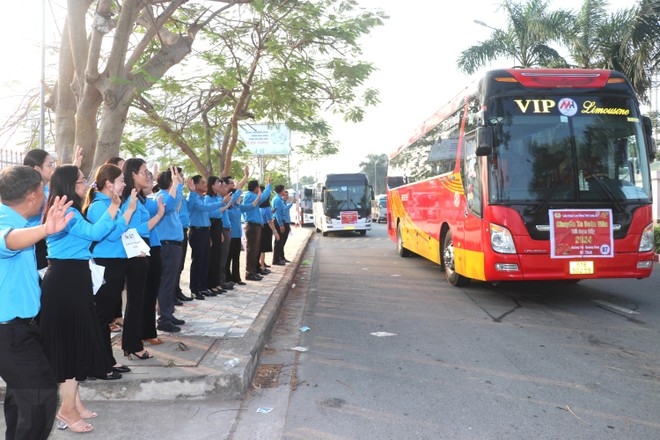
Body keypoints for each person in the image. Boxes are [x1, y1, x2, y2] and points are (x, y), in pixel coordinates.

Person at [40, 165, 124, 433]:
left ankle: (74, 403)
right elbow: (94, 235)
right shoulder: (68, 212)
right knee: (72, 343)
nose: (85, 184)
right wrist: (114, 205)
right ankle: (66, 409)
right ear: (68, 185)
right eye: (80, 181)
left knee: (72, 341)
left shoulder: (65, 209)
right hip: (67, 280)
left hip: (71, 278)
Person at [0, 165, 72, 440]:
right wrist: (45, 227)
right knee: (40, 395)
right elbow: (9, 241)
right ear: (32, 194)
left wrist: (43, 223)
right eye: (42, 189)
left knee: (23, 397)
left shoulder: (21, 220)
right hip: (8, 331)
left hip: (22, 329)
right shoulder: (7, 225)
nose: (45, 194)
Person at [83, 164, 137, 380]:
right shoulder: (99, 206)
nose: (124, 184)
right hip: (106, 263)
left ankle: (108, 360)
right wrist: (130, 210)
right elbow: (113, 235)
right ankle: (96, 363)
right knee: (101, 317)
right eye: (121, 180)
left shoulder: (113, 203)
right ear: (109, 183)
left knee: (104, 318)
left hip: (116, 263)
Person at [120, 158, 164, 359]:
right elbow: (129, 229)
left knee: (138, 300)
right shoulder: (129, 199)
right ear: (132, 175)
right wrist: (156, 219)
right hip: (134, 254)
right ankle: (132, 344)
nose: (147, 176)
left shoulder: (139, 198)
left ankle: (132, 342)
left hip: (141, 252)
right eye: (144, 172)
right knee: (135, 300)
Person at [154, 167, 187, 333]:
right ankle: (164, 319)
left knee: (171, 281)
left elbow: (176, 204)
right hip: (167, 246)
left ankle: (168, 313)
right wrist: (177, 185)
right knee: (166, 282)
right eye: (178, 176)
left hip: (173, 245)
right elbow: (170, 205)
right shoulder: (163, 196)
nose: (181, 178)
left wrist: (178, 186)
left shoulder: (168, 195)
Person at [186, 175, 225, 299]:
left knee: (205, 260)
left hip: (205, 231)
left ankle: (203, 287)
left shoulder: (202, 198)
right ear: (196, 185)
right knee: (197, 261)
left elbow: (208, 213)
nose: (205, 185)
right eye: (202, 183)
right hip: (196, 232)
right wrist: (221, 203)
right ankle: (195, 289)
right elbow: (203, 208)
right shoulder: (193, 198)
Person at [22, 149, 56, 271]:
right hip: (35, 244)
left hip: (46, 241)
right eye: (50, 164)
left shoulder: (47, 190)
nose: (53, 168)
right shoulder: (26, 194)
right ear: (37, 169)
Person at [241, 177, 271, 281]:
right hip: (252, 226)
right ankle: (249, 272)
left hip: (255, 226)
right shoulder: (250, 196)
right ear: (256, 188)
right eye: (258, 187)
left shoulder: (252, 196)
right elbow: (263, 197)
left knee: (255, 250)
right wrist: (268, 185)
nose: (259, 189)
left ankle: (253, 271)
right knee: (252, 251)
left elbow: (262, 197)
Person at [258, 192, 278, 274]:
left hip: (259, 227)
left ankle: (260, 264)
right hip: (266, 229)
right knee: (263, 248)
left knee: (260, 248)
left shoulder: (258, 207)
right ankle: (262, 266)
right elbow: (270, 221)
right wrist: (275, 231)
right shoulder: (267, 209)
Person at [272, 185, 292, 265]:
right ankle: (276, 259)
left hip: (281, 221)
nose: (285, 191)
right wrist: (281, 224)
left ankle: (279, 258)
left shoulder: (278, 199)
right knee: (279, 241)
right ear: (281, 191)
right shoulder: (277, 200)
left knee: (280, 241)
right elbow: (278, 213)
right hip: (279, 221)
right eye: (284, 190)